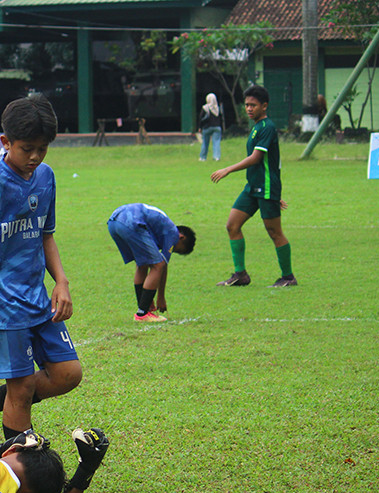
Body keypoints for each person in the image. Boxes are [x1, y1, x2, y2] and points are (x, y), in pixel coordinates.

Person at [0, 94, 81, 440]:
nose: (35, 157)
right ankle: (20, 476)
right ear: (6, 142)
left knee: (68, 373)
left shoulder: (46, 177)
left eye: (43, 148)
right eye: (27, 149)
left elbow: (46, 234)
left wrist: (61, 281)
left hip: (38, 298)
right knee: (22, 388)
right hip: (3, 307)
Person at [210, 84, 297, 288]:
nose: (249, 109)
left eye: (253, 105)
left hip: (266, 187)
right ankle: (240, 275)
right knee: (232, 225)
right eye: (247, 105)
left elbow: (257, 158)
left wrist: (227, 170)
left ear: (264, 106)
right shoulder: (256, 127)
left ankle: (288, 277)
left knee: (274, 232)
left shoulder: (267, 127)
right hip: (253, 187)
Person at [106, 203, 196, 322]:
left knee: (142, 264)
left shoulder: (161, 228)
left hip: (114, 222)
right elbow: (162, 265)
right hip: (130, 221)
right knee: (157, 265)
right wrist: (161, 298)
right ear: (182, 237)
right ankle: (142, 314)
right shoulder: (172, 233)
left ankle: (144, 308)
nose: (172, 250)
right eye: (177, 249)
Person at [198, 93, 222, 161]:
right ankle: (216, 157)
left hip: (207, 127)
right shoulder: (217, 108)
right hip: (217, 127)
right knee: (216, 142)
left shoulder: (205, 108)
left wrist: (200, 127)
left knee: (205, 142)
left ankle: (202, 157)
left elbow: (201, 118)